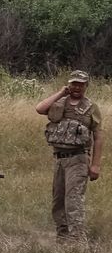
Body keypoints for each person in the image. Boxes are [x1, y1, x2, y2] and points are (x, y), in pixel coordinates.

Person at [36, 70, 103, 241]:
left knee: (73, 200)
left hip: (78, 159)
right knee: (58, 201)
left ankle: (76, 240)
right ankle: (63, 237)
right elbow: (39, 108)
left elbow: (98, 137)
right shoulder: (60, 102)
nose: (77, 87)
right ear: (69, 84)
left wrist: (95, 165)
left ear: (86, 86)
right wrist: (61, 92)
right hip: (59, 159)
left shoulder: (91, 107)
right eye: (74, 83)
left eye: (81, 84)